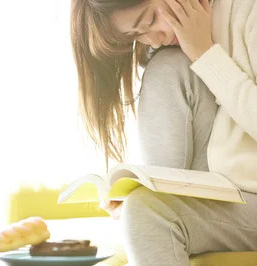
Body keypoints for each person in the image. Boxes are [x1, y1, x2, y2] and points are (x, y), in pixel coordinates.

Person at [70, 0, 257, 265]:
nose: (154, 40)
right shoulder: (172, 61)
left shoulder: (247, 12)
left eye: (148, 20)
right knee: (166, 69)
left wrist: (206, 55)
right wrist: (139, 199)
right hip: (233, 197)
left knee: (146, 213)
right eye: (137, 36)